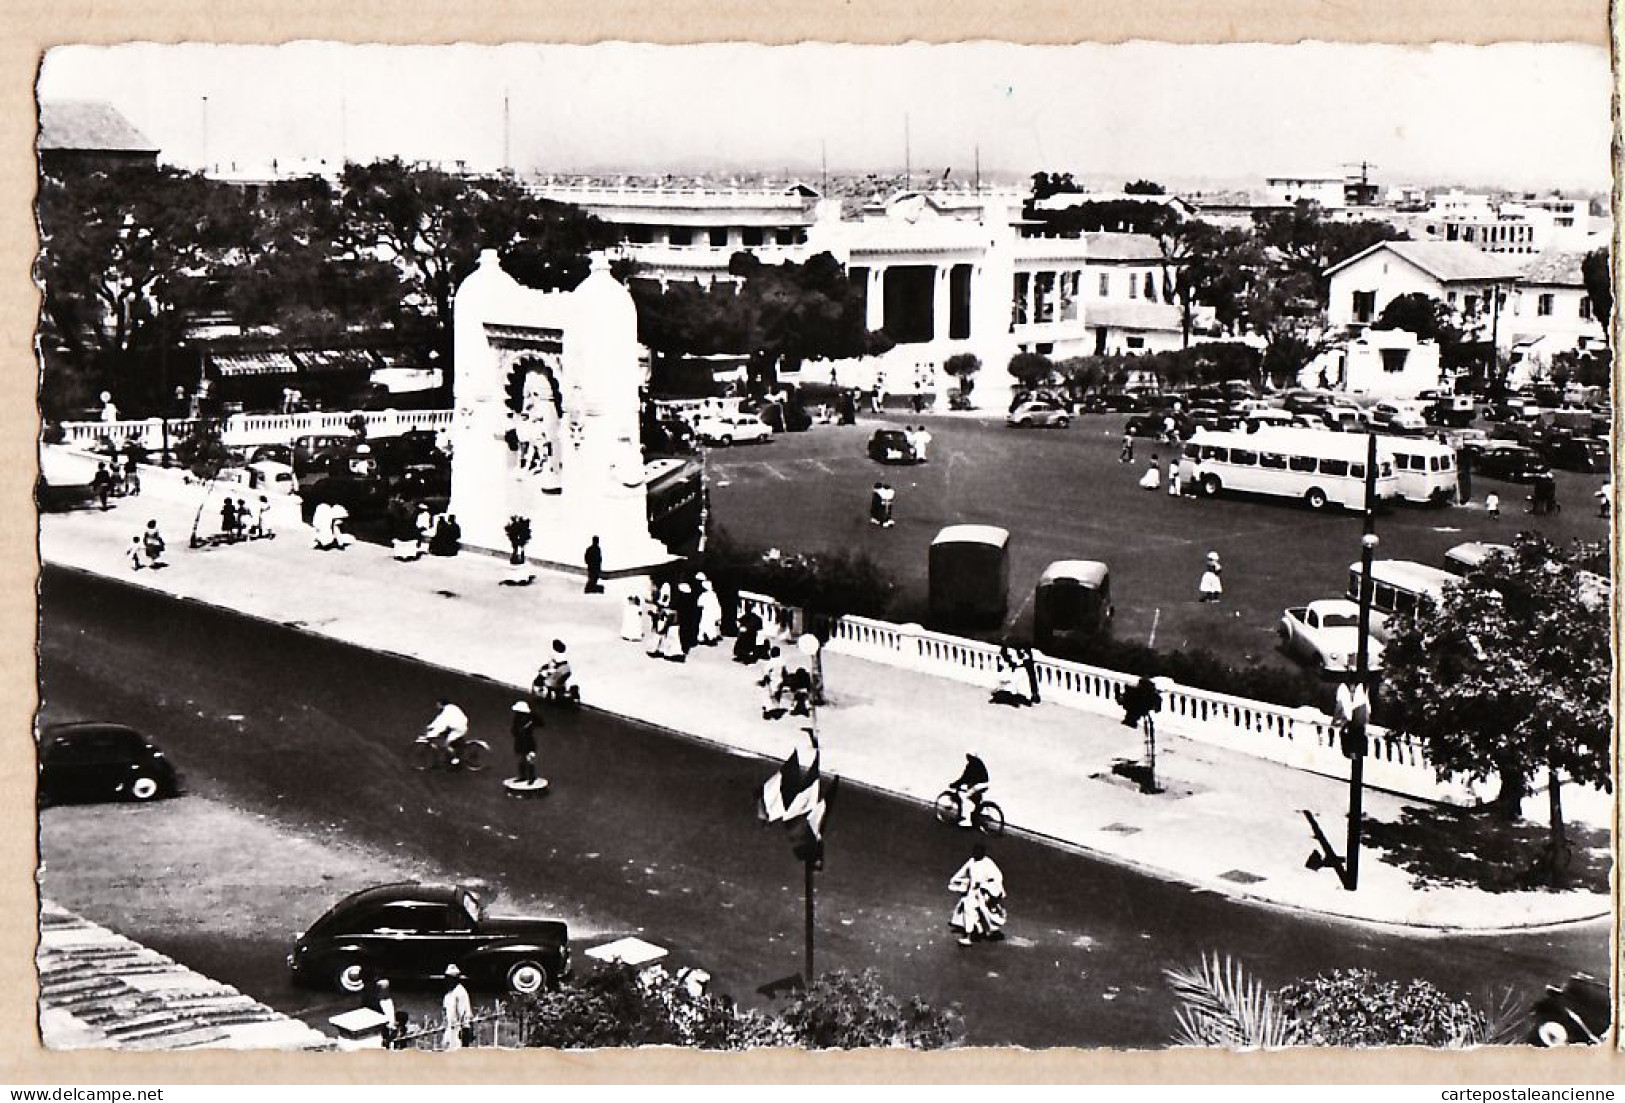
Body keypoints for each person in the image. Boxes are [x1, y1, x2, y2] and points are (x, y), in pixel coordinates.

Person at [947, 843, 1007, 947]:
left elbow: (997, 878)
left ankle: (978, 932)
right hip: (972, 893)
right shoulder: (971, 861)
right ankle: (970, 935)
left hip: (984, 894)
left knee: (983, 913)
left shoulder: (988, 863)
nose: (976, 854)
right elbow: (961, 872)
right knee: (969, 912)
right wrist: (957, 881)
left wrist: (986, 887)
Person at [949, 752, 990, 828]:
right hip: (985, 784)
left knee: (965, 798)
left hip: (979, 785)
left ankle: (967, 821)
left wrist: (955, 784)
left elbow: (964, 777)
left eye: (968, 756)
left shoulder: (972, 765)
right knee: (975, 798)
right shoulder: (979, 762)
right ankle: (982, 813)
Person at [425, 697, 469, 767]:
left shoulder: (446, 712)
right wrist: (431, 726)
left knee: (447, 743)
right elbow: (439, 719)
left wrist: (432, 734)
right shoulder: (451, 707)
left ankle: (456, 759)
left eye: (438, 704)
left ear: (441, 704)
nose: (437, 706)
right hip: (461, 726)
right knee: (453, 740)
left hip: (457, 729)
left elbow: (442, 724)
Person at [440, 964, 474, 1051]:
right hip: (449, 1030)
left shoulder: (461, 993)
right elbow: (445, 1013)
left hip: (458, 1032)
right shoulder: (448, 994)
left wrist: (465, 1034)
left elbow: (465, 1015)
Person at [510, 701, 538, 784]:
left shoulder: (530, 719)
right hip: (520, 741)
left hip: (528, 742)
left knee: (529, 760)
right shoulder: (517, 719)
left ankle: (531, 777)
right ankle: (523, 776)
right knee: (522, 760)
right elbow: (513, 730)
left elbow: (540, 723)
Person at [760, 645, 787, 719]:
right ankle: (776, 707)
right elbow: (784, 671)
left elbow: (766, 672)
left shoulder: (771, 662)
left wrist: (765, 680)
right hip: (780, 680)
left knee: (770, 695)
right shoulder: (782, 661)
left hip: (772, 680)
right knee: (777, 695)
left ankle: (771, 709)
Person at [695, 576, 723, 645]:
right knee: (709, 625)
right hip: (713, 612)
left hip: (706, 612)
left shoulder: (704, 595)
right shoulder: (713, 594)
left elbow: (699, 603)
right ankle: (708, 637)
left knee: (704, 625)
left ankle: (707, 638)